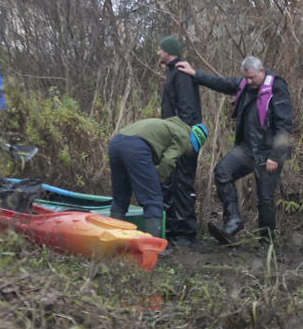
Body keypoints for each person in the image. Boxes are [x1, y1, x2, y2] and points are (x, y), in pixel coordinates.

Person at [176, 56, 293, 246]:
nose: (249, 82)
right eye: (246, 78)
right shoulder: (245, 84)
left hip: (268, 152)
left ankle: (266, 242)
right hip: (247, 149)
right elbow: (221, 83)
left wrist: (275, 156)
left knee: (264, 198)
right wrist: (195, 74)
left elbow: (284, 125)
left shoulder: (277, 88)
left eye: (252, 78)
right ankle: (233, 221)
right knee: (223, 172)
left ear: (262, 71)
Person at [107, 117, 209, 240]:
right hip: (137, 148)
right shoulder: (184, 137)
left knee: (120, 199)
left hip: (116, 143)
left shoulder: (172, 126)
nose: (187, 153)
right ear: (193, 143)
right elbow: (168, 160)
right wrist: (161, 180)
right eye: (192, 150)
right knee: (153, 201)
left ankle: (114, 243)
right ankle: (153, 246)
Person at [157, 35, 203, 247]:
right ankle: (172, 229)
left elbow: (188, 109)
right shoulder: (173, 72)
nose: (158, 52)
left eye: (160, 49)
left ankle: (186, 233)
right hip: (172, 137)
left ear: (168, 51)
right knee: (172, 182)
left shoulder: (182, 74)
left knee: (183, 182)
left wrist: (184, 140)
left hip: (183, 139)